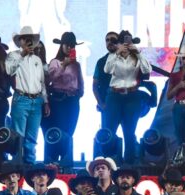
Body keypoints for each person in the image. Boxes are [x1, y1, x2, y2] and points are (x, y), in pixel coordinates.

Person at [103, 30, 151, 166]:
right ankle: (109, 162)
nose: (125, 45)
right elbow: (107, 70)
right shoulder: (112, 56)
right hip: (114, 96)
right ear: (118, 44)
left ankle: (128, 164)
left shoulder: (136, 56)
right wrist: (117, 53)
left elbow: (147, 70)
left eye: (128, 42)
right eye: (122, 42)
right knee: (110, 130)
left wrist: (138, 53)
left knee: (130, 132)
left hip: (132, 96)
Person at [6, 26, 49, 165]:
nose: (28, 42)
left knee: (32, 138)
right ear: (20, 41)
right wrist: (22, 54)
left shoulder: (37, 59)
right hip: (21, 99)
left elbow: (41, 83)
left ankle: (30, 166)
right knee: (18, 136)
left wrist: (45, 101)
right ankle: (17, 165)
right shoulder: (13, 55)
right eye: (25, 39)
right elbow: (8, 70)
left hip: (36, 101)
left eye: (30, 39)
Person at [42, 32, 84, 160]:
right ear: (62, 46)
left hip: (72, 100)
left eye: (72, 45)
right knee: (58, 129)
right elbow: (50, 78)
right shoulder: (55, 62)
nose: (69, 48)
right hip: (59, 99)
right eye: (67, 45)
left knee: (70, 129)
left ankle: (66, 159)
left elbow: (80, 80)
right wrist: (64, 65)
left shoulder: (76, 64)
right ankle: (54, 159)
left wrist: (81, 92)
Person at [92, 32, 118, 127]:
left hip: (126, 103)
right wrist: (101, 104)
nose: (109, 42)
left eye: (113, 39)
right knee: (107, 136)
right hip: (107, 104)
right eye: (107, 40)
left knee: (129, 135)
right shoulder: (101, 62)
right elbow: (94, 86)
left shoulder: (127, 59)